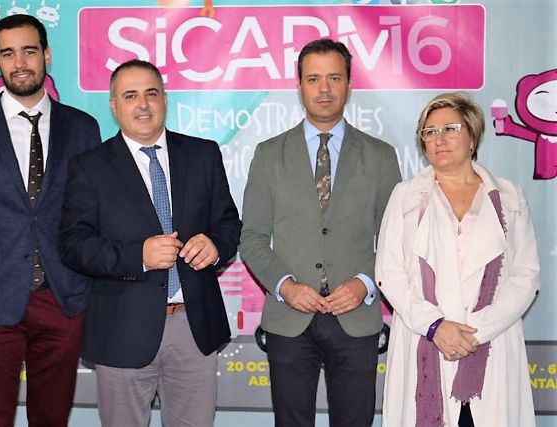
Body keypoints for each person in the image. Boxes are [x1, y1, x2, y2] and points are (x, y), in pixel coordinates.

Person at [0, 14, 101, 427]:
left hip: (62, 299)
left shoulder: (82, 128)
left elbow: (94, 219)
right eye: (8, 54)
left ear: (47, 55)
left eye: (29, 51)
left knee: (52, 419)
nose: (19, 63)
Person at [59, 59, 241, 427]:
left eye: (151, 94)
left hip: (194, 327)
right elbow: (73, 244)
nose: (143, 105)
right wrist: (138, 256)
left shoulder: (203, 154)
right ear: (114, 106)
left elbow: (228, 223)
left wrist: (216, 246)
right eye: (130, 96)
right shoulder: (89, 167)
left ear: (165, 100)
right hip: (122, 330)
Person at [240, 38, 402, 426]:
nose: (324, 89)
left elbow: (398, 240)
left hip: (356, 315)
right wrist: (286, 287)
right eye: (313, 79)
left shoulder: (381, 156)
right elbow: (253, 238)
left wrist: (365, 283)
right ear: (299, 85)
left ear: (349, 84)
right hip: (289, 317)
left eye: (334, 78)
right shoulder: (268, 154)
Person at [375, 92, 539, 426]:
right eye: (430, 132)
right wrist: (435, 326)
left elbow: (526, 276)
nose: (439, 139)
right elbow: (389, 273)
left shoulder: (510, 197)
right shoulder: (405, 196)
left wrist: (475, 333)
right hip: (425, 340)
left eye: (450, 129)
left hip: (491, 343)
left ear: (472, 136)